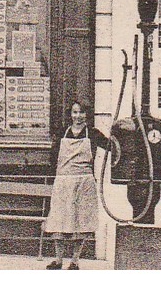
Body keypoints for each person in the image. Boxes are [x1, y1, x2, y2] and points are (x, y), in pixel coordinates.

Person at [43, 100, 113, 270]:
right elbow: (53, 156)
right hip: (64, 181)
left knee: (81, 221)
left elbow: (111, 147)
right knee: (59, 220)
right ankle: (58, 260)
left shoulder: (94, 134)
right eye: (75, 112)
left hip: (84, 182)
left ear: (87, 115)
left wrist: (117, 135)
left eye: (81, 113)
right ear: (70, 115)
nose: (78, 116)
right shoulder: (62, 133)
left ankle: (75, 260)